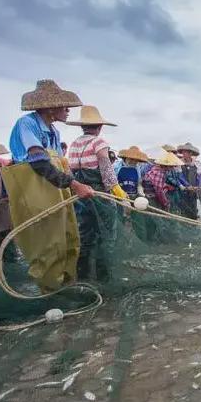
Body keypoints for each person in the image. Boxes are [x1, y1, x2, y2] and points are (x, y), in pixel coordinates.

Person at [6, 80, 93, 290]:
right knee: (48, 244)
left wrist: (76, 184)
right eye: (65, 107)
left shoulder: (54, 132)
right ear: (51, 107)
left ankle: (67, 283)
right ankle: (50, 291)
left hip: (56, 188)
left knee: (69, 237)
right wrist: (73, 184)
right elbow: (39, 162)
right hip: (35, 188)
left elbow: (61, 165)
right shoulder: (27, 124)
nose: (68, 111)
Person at [66, 105, 126, 281]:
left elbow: (70, 172)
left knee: (85, 236)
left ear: (82, 126)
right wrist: (117, 191)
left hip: (80, 196)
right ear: (99, 127)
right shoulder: (99, 143)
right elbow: (107, 170)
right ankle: (103, 277)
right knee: (106, 237)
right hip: (99, 195)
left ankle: (83, 277)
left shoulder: (74, 144)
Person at [175, 143, 201, 219]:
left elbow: (199, 176)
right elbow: (179, 176)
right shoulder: (179, 163)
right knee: (183, 207)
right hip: (183, 190)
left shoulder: (196, 163)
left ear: (190, 153)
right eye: (183, 152)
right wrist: (187, 185)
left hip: (194, 189)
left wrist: (198, 186)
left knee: (193, 205)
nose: (183, 154)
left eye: (185, 152)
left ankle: (194, 219)